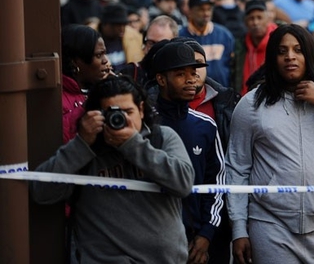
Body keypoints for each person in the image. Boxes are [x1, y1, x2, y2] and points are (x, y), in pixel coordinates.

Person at [226, 24, 314, 264]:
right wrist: (239, 228)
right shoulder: (251, 105)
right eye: (282, 51)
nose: (290, 56)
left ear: (309, 54)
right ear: (272, 58)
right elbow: (237, 168)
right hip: (270, 224)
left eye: (298, 50)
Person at [31, 76, 195, 263]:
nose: (121, 119)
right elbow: (42, 193)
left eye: (128, 112)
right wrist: (81, 144)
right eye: (111, 113)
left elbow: (183, 183)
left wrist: (133, 145)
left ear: (141, 110)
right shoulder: (84, 151)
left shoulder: (161, 138)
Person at [152, 41, 226, 264]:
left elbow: (217, 182)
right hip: (151, 242)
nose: (190, 79)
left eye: (193, 73)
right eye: (180, 74)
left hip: (195, 243)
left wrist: (206, 234)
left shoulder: (206, 125)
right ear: (161, 79)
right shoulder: (143, 126)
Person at [176, 38, 240, 264]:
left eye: (198, 66)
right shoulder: (151, 107)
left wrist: (208, 232)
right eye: (184, 68)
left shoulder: (226, 103)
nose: (193, 74)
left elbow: (226, 168)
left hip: (216, 219)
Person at [61, 25, 111, 143]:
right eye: (99, 55)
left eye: (105, 54)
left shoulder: (103, 86)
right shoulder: (57, 98)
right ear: (76, 62)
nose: (105, 61)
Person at [180, 0, 235, 87]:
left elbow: (233, 66)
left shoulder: (224, 35)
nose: (206, 13)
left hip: (222, 94)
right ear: (190, 11)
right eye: (201, 9)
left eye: (209, 9)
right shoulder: (181, 37)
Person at [119, 15, 179, 87]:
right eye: (151, 43)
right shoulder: (131, 73)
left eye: (161, 44)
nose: (154, 48)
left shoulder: (181, 75)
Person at [232, 0, 277, 95]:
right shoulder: (240, 45)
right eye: (251, 18)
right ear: (245, 22)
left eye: (259, 18)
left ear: (268, 19)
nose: (256, 23)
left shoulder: (279, 41)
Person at [89, 3, 144, 72]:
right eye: (117, 25)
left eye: (124, 24)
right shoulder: (89, 39)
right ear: (104, 24)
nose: (122, 28)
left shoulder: (134, 37)